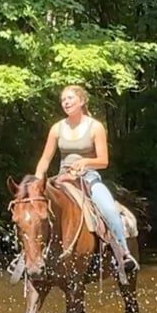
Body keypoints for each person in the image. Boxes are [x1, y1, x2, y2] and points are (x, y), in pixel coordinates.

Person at [34, 84, 139, 272]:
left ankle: (123, 253)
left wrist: (85, 162)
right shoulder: (56, 129)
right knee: (33, 210)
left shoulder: (95, 127)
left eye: (70, 99)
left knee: (108, 208)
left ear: (81, 101)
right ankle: (25, 257)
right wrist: (37, 178)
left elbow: (103, 161)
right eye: (63, 100)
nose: (65, 102)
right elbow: (45, 158)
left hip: (88, 178)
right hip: (61, 178)